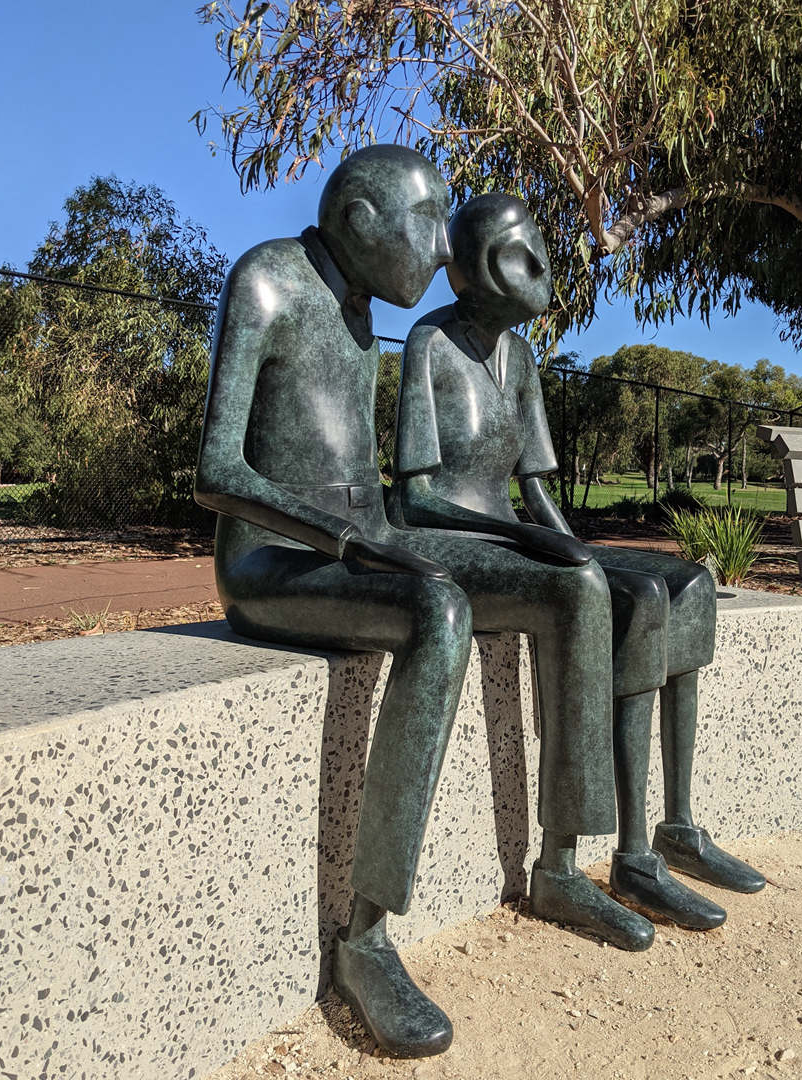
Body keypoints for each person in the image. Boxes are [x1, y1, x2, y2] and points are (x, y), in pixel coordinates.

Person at [196, 149, 650, 1060]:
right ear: (363, 222)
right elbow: (218, 473)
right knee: (438, 611)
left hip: (370, 543)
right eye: (431, 220)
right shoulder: (265, 281)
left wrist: (395, 537)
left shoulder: (365, 314)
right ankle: (365, 939)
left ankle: (560, 865)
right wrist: (347, 542)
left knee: (572, 587)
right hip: (276, 564)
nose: (448, 247)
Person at [389, 193, 765, 935]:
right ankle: (560, 865)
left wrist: (568, 541)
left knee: (683, 584)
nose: (538, 266)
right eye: (516, 252)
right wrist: (548, 549)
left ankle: (663, 836)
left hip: (514, 534)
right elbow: (417, 496)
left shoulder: (521, 357)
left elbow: (535, 491)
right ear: (472, 269)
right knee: (587, 585)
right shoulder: (429, 344)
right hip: (450, 536)